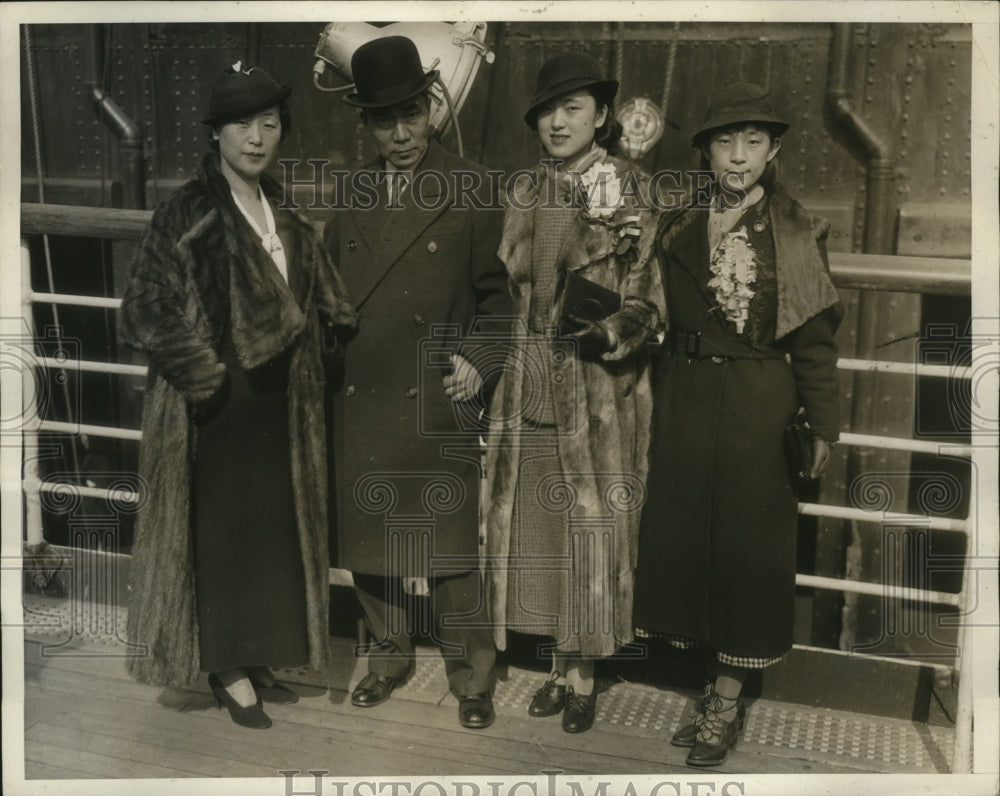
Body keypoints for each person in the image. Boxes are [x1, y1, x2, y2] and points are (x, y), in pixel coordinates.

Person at [120, 62, 357, 729]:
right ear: (216, 133)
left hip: (279, 399)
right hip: (217, 401)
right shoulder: (188, 209)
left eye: (270, 124)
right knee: (220, 536)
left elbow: (310, 294)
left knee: (268, 534)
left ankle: (257, 657)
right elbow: (142, 307)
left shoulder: (278, 206)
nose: (257, 138)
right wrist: (202, 371)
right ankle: (225, 668)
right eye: (242, 125)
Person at [632, 82, 842, 766]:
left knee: (749, 555)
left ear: (773, 150)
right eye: (725, 141)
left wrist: (823, 427)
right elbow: (651, 309)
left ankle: (724, 699)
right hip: (687, 402)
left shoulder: (796, 229)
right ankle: (705, 681)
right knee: (693, 548)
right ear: (705, 152)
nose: (739, 156)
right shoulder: (677, 223)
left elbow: (814, 341)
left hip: (760, 405)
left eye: (754, 142)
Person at [323, 36, 511, 730]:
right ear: (366, 124)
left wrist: (480, 359)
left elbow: (499, 301)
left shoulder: (472, 186)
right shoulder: (353, 194)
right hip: (366, 392)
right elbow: (327, 294)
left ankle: (472, 677)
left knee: (452, 552)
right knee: (373, 541)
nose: (399, 134)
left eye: (409, 115)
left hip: (440, 391)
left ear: (430, 107)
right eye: (383, 121)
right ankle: (389, 657)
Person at [482, 51, 664, 734]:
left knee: (589, 529)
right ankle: (559, 661)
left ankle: (585, 672)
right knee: (544, 527)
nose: (557, 123)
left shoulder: (633, 189)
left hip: (592, 388)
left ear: (602, 117)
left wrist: (605, 333)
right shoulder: (526, 187)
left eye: (573, 109)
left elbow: (649, 303)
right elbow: (507, 285)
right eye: (547, 112)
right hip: (528, 373)